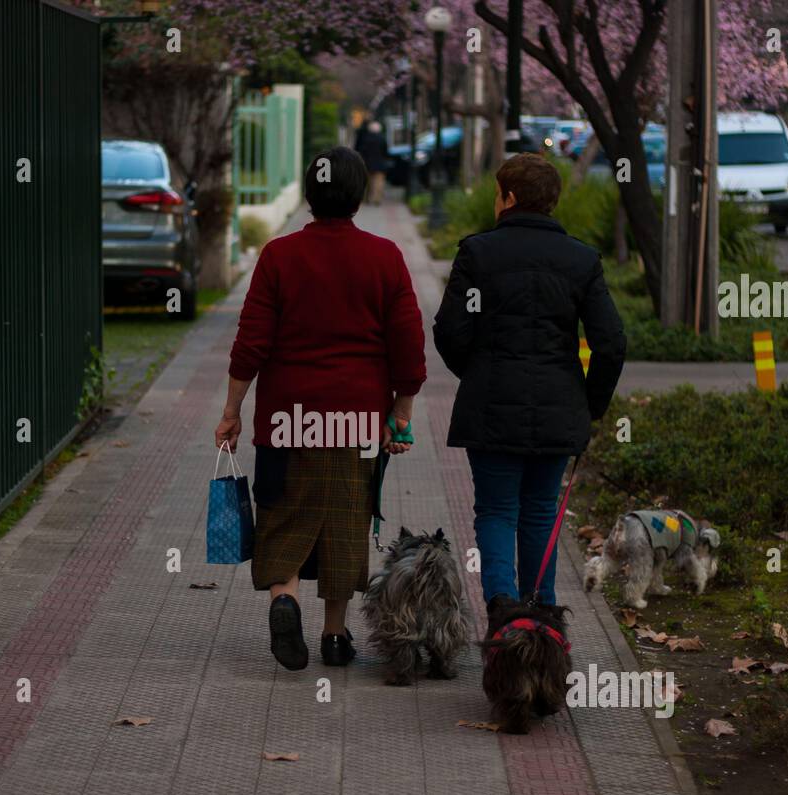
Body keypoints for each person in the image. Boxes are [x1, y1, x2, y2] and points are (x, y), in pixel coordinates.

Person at [216, 146, 425, 671]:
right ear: (357, 196)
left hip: (287, 418)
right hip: (355, 419)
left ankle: (283, 601)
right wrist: (401, 410)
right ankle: (335, 635)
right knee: (346, 520)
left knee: (284, 516)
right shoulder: (384, 257)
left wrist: (232, 410)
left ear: (310, 194)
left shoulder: (279, 256)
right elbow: (408, 344)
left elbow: (251, 343)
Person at [432, 153, 625, 612]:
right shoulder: (581, 260)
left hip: (492, 405)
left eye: (498, 193)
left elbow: (449, 331)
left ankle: (502, 608)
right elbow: (611, 343)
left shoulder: (477, 253)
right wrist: (590, 404)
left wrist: (478, 373)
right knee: (541, 512)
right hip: (560, 407)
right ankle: (541, 616)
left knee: (497, 511)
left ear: (510, 198)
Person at [353, 119, 391, 205]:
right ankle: (376, 199)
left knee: (367, 182)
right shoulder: (382, 139)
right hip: (380, 163)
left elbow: (360, 150)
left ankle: (367, 199)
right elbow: (385, 151)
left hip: (367, 163)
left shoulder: (366, 138)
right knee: (378, 182)